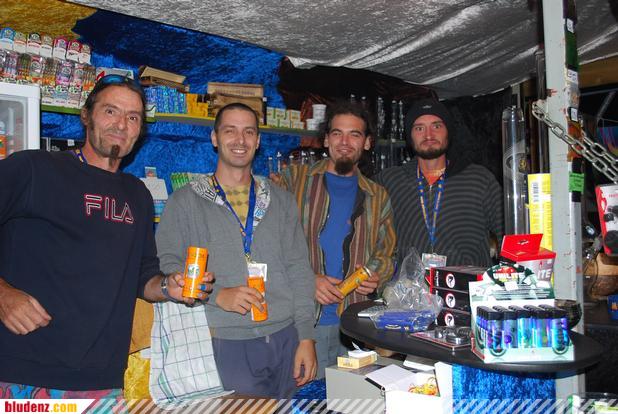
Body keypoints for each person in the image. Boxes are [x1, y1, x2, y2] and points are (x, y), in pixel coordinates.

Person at [0, 75, 211, 399]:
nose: (121, 124)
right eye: (111, 111)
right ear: (87, 115)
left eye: (133, 117)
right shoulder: (34, 168)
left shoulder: (137, 194)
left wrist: (169, 287)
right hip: (21, 373)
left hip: (102, 380)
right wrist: (3, 295)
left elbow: (142, 275)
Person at [155, 102, 317, 399]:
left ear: (258, 140)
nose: (240, 140)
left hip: (286, 338)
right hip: (223, 341)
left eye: (248, 132)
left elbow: (299, 270)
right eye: (230, 130)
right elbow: (170, 265)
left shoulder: (281, 200)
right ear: (215, 138)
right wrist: (217, 295)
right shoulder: (185, 201)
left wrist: (306, 336)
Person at [276, 101, 396, 379]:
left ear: (367, 142)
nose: (344, 142)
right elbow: (270, 244)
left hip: (357, 326)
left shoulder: (378, 195)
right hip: (304, 324)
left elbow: (387, 253)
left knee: (355, 399)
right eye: (337, 133)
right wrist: (308, 279)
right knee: (306, 398)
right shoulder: (293, 180)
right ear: (326, 139)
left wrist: (377, 275)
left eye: (354, 134)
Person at [374, 98, 503, 269]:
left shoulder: (479, 179)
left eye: (436, 126)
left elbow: (510, 234)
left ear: (448, 131)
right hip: (411, 285)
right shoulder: (390, 181)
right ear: (409, 136)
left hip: (468, 284)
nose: (428, 135)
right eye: (419, 128)